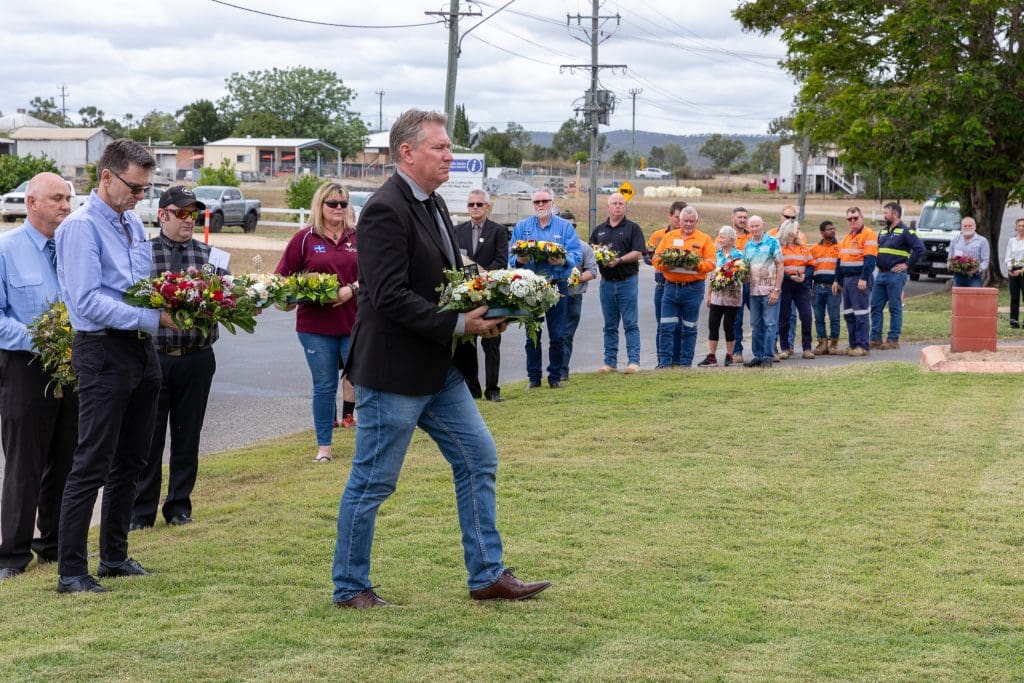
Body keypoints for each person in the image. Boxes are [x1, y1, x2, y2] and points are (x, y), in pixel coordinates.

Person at [332, 109, 549, 608]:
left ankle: (487, 575)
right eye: (440, 147)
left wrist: (495, 301)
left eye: (450, 147)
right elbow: (386, 295)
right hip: (393, 373)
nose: (450, 155)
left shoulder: (433, 205)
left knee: (478, 458)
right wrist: (458, 323)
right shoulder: (387, 208)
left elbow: (445, 283)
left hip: (438, 368)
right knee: (373, 481)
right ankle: (349, 587)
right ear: (407, 152)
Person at [55, 139, 175, 594]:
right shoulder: (81, 227)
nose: (140, 196)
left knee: (132, 459)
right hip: (102, 350)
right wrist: (153, 316)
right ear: (106, 177)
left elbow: (137, 286)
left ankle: (115, 556)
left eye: (145, 189)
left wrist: (175, 298)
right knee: (91, 461)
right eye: (135, 187)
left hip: (141, 349)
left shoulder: (130, 221)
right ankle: (71, 571)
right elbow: (87, 301)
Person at [130, 186, 225, 530]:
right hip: (153, 356)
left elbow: (228, 301)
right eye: (182, 213)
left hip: (196, 357)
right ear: (163, 214)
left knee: (187, 436)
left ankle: (179, 507)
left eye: (193, 214)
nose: (189, 220)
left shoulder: (211, 256)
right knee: (148, 437)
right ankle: (141, 512)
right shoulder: (141, 254)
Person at [0, 173, 78, 582]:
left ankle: (53, 542)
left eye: (68, 198)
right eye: (57, 198)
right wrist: (43, 340)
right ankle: (12, 554)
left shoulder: (71, 247)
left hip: (73, 368)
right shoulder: (6, 250)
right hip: (25, 368)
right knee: (24, 465)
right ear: (31, 202)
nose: (66, 206)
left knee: (66, 460)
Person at [275, 181, 359, 463]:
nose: (338, 208)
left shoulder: (358, 237)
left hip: (354, 324)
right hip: (316, 328)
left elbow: (375, 275)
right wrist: (302, 290)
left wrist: (351, 290)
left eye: (343, 204)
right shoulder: (304, 238)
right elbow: (282, 278)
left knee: (361, 381)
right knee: (324, 386)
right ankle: (324, 447)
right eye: (332, 203)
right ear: (320, 206)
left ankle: (369, 441)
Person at [508, 187, 582, 388]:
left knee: (558, 335)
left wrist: (562, 261)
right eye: (537, 202)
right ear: (532, 204)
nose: (541, 205)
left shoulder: (564, 227)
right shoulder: (522, 227)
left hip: (557, 286)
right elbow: (511, 256)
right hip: (531, 288)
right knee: (532, 334)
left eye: (545, 201)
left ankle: (555, 377)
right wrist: (520, 259)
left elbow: (576, 255)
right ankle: (533, 378)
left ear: (552, 202)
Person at [452, 189, 508, 401]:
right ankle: (472, 389)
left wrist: (480, 276)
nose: (475, 208)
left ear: (487, 207)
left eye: (479, 204)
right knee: (468, 345)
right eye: (471, 205)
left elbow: (501, 262)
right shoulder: (457, 230)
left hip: (490, 294)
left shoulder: (498, 231)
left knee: (492, 343)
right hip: (467, 296)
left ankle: (493, 389)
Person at [652, 206, 716, 368]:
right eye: (685, 221)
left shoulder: (704, 239)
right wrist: (666, 264)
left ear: (697, 221)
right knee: (666, 326)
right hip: (671, 287)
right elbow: (656, 258)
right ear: (679, 221)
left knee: (689, 327)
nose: (688, 224)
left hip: (693, 289)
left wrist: (696, 267)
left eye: (691, 221)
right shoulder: (669, 237)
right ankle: (665, 363)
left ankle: (685, 364)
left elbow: (711, 262)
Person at [590, 192, 645, 373]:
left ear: (625, 207)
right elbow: (592, 252)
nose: (618, 206)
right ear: (608, 207)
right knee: (610, 325)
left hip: (627, 281)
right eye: (614, 203)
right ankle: (609, 362)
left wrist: (619, 260)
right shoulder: (599, 230)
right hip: (606, 283)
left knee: (630, 323)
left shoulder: (633, 228)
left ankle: (633, 362)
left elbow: (638, 252)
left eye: (621, 203)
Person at [870, 202, 924, 350]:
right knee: (875, 306)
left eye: (886, 213)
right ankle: (875, 338)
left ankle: (893, 339)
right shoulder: (882, 232)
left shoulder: (906, 231)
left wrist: (906, 265)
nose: (884, 215)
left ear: (895, 214)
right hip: (880, 275)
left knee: (895, 308)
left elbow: (920, 249)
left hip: (895, 275)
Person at [832, 206, 878, 356]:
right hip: (847, 281)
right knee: (849, 314)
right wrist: (837, 281)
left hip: (859, 279)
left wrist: (864, 278)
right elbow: (839, 262)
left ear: (861, 217)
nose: (853, 221)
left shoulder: (868, 234)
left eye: (855, 218)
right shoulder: (846, 238)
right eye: (850, 219)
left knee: (861, 314)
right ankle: (853, 345)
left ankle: (863, 346)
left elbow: (870, 259)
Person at [559, 211, 598, 383]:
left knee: (566, 335)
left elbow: (592, 271)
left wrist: (578, 278)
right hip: (554, 297)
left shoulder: (583, 247)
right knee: (555, 335)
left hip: (574, 296)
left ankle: (562, 371)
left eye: (572, 226)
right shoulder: (551, 246)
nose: (569, 229)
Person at [644, 201, 686, 362]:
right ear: (670, 216)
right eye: (677, 217)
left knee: (680, 325)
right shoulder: (658, 235)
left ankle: (678, 360)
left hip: (683, 284)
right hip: (662, 285)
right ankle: (663, 360)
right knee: (663, 325)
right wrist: (660, 259)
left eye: (683, 218)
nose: (679, 221)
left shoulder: (690, 236)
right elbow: (647, 257)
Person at [697, 226, 743, 367]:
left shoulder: (739, 256)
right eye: (719, 236)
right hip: (717, 296)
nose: (720, 239)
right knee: (713, 325)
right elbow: (711, 276)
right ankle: (712, 357)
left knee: (728, 326)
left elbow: (742, 276)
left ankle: (729, 356)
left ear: (731, 239)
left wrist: (730, 277)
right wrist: (709, 294)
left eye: (722, 237)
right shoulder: (716, 255)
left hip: (732, 297)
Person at [741, 215, 784, 368]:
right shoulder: (748, 246)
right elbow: (744, 268)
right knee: (756, 325)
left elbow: (780, 265)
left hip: (769, 291)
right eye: (751, 226)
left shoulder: (772, 242)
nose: (754, 229)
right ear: (748, 227)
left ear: (763, 225)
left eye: (757, 226)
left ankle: (768, 356)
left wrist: (776, 289)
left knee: (770, 324)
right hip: (753, 292)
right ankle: (758, 356)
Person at [775, 220, 815, 360]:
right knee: (784, 317)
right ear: (789, 231)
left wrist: (805, 275)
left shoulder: (803, 247)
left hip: (801, 286)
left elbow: (811, 265)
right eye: (796, 229)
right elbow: (776, 268)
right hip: (785, 285)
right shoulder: (779, 247)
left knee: (806, 316)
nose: (798, 232)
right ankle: (785, 348)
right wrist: (790, 277)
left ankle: (807, 348)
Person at [810, 220, 842, 355]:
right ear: (822, 232)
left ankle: (833, 343)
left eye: (834, 228)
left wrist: (839, 282)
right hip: (817, 288)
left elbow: (841, 268)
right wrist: (809, 287)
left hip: (833, 288)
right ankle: (822, 343)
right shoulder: (814, 249)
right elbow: (809, 269)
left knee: (834, 316)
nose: (833, 231)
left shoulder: (840, 247)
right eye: (829, 229)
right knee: (818, 317)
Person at [729, 207, 750, 359]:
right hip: (734, 284)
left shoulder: (753, 236)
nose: (742, 220)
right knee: (736, 319)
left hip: (752, 283)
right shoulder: (725, 236)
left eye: (744, 217)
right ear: (733, 218)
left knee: (760, 316)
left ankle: (767, 349)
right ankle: (737, 351)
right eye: (739, 217)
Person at [947, 216, 990, 287]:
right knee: (958, 297)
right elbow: (950, 258)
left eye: (970, 225)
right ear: (961, 227)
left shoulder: (982, 241)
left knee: (974, 298)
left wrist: (977, 269)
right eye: (965, 226)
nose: (967, 227)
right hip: (958, 277)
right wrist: (951, 266)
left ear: (975, 226)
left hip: (975, 277)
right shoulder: (954, 240)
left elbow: (985, 261)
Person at [1004, 218, 1024, 327]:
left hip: (1023, 269)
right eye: (1019, 226)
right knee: (1014, 297)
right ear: (1016, 227)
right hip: (1013, 269)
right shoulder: (1011, 241)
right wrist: (1009, 267)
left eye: (1023, 226)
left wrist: (1021, 271)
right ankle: (1014, 323)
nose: (1021, 228)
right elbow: (1008, 256)